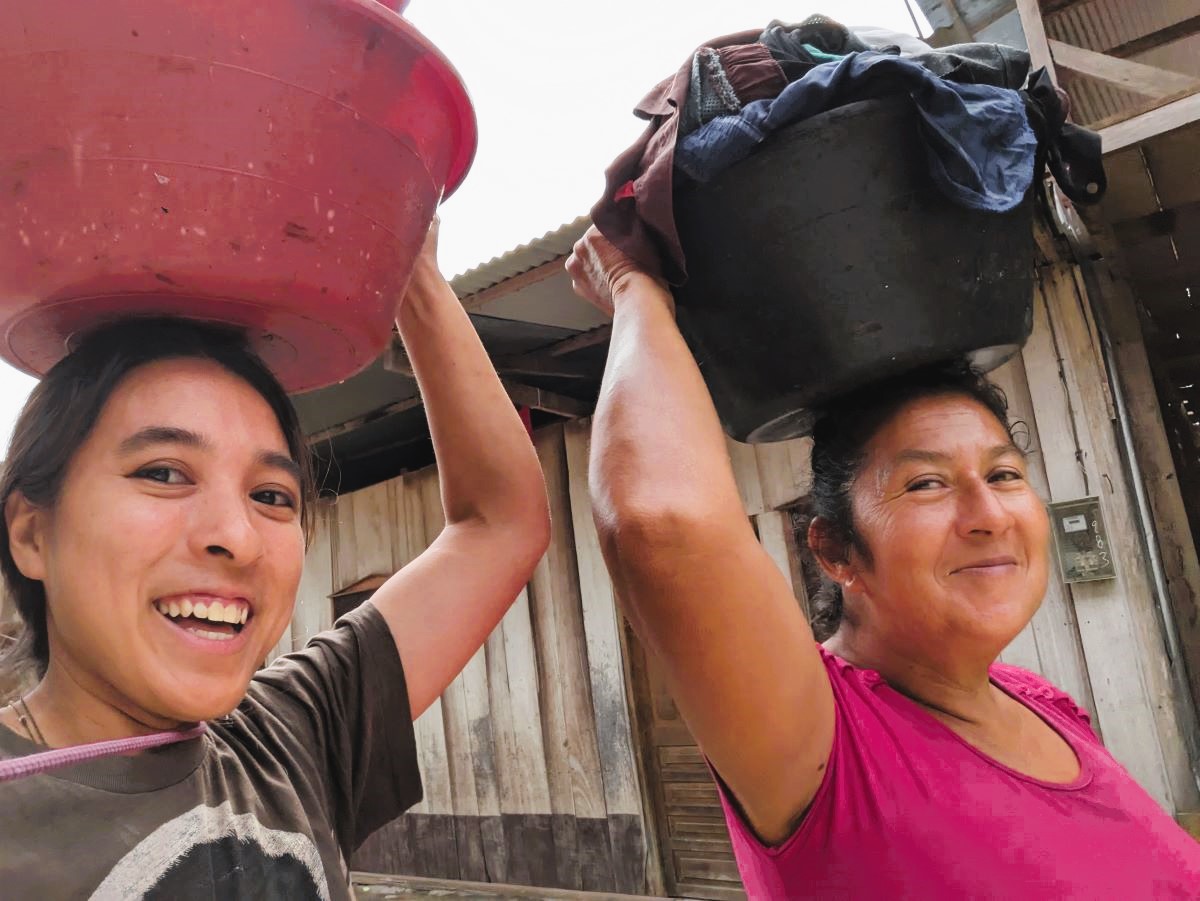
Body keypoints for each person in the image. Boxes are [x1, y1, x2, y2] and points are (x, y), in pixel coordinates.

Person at [566, 226, 1200, 898]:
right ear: (837, 551)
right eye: (926, 483)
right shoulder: (824, 742)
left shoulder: (1047, 705)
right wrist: (634, 289)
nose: (989, 514)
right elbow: (661, 524)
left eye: (1006, 474)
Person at [0, 220, 551, 899]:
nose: (237, 534)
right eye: (165, 473)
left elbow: (502, 523)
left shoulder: (292, 736)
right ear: (30, 533)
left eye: (270, 494)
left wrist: (414, 277)